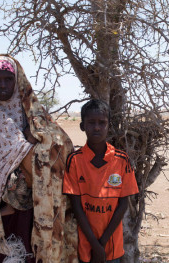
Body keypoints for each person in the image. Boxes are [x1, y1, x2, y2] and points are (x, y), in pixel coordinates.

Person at [0, 54, 77, 263]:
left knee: (29, 252)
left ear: (17, 80)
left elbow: (61, 146)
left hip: (33, 207)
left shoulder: (32, 112)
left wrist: (37, 140)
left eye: (8, 79)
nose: (3, 85)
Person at [63, 99, 139, 263]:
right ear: (83, 126)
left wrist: (102, 244)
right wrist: (95, 246)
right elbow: (77, 207)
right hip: (85, 246)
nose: (97, 127)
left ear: (109, 125)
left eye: (102, 123)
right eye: (91, 122)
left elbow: (123, 205)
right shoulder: (75, 161)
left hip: (112, 245)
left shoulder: (121, 160)